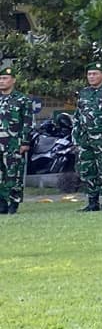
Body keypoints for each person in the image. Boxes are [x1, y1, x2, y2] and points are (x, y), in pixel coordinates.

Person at [73, 61, 102, 212]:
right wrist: (76, 137)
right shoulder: (84, 93)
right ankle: (92, 202)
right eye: (89, 74)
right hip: (85, 139)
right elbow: (78, 116)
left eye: (95, 74)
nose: (91, 77)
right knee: (87, 170)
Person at [0, 60, 34, 214]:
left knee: (14, 174)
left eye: (5, 78)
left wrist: (25, 142)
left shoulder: (22, 99)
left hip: (14, 143)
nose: (2, 81)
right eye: (0, 78)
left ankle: (13, 203)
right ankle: (2, 203)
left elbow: (27, 122)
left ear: (13, 80)